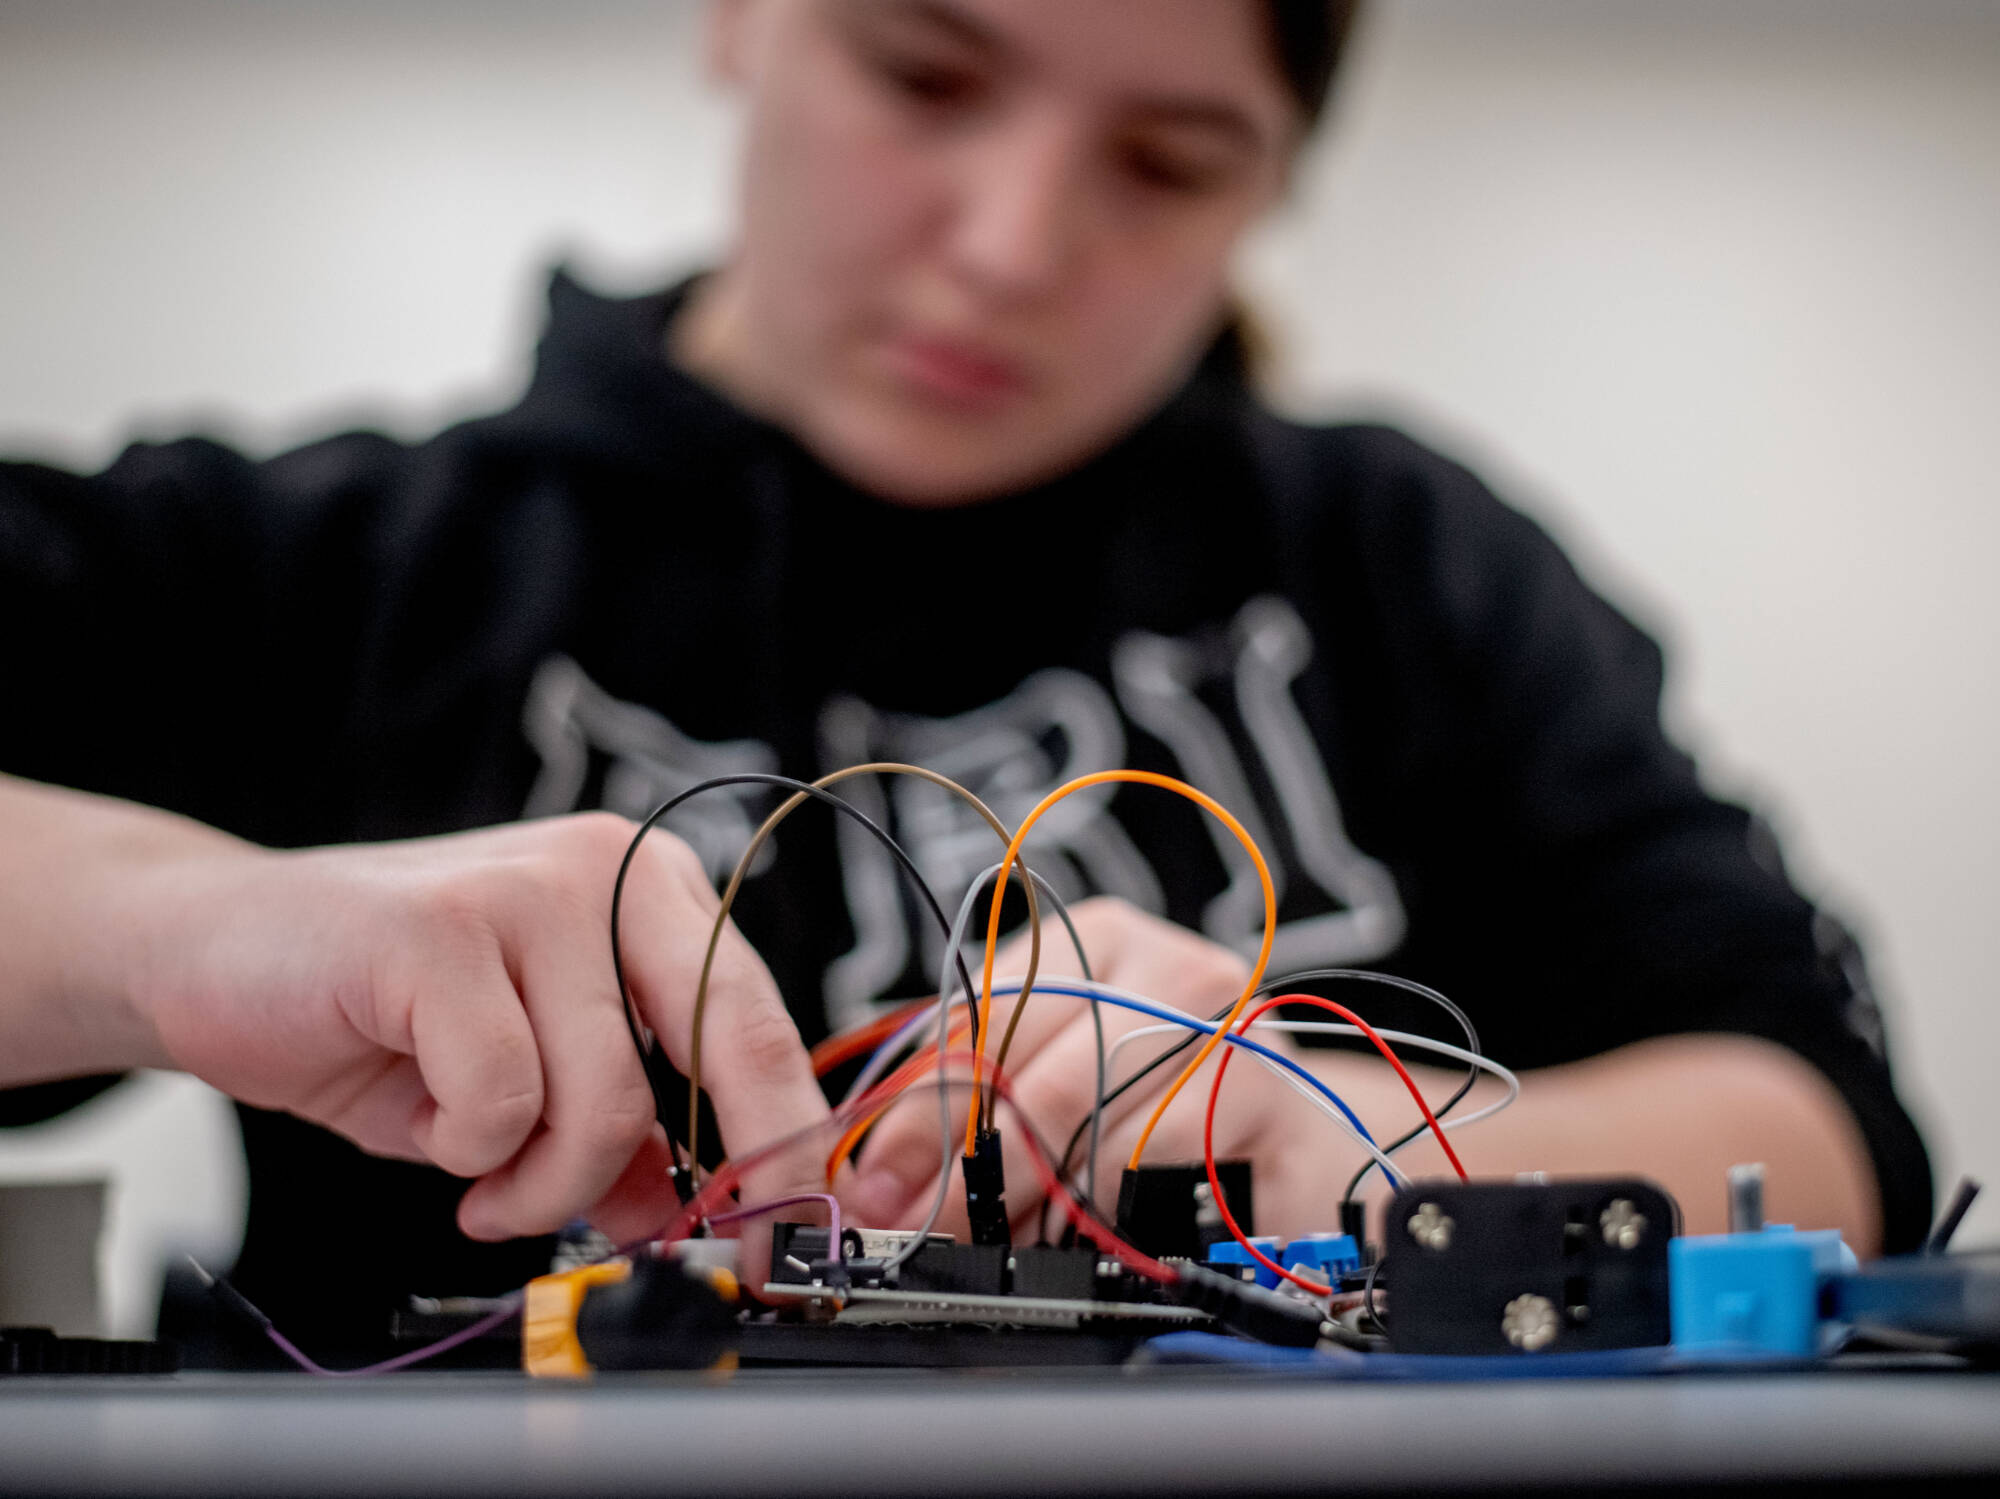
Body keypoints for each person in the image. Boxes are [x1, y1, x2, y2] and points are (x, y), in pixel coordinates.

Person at [0, 0, 1929, 1364]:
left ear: (1271, 190)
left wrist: (1359, 1142)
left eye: (1168, 164)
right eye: (925, 71)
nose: (1012, 247)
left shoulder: (1402, 568)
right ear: (743, 13)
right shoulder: (321, 569)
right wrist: (180, 924)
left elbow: (1822, 1119)